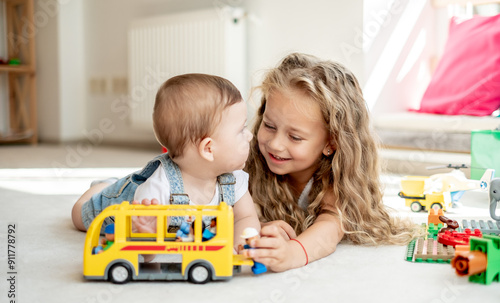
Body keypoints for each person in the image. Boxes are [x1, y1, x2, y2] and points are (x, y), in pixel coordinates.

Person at [245, 53, 422, 272]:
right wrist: (257, 228)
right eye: (269, 126)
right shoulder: (250, 163)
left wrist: (293, 253)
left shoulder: (335, 180)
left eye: (295, 137)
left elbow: (330, 228)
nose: (275, 144)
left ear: (332, 142)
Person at [71, 73, 260, 248]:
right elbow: (141, 248)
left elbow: (246, 217)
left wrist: (238, 248)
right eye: (241, 130)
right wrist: (147, 232)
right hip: (124, 201)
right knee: (79, 217)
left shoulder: (234, 179)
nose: (250, 135)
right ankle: (100, 187)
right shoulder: (157, 190)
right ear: (209, 149)